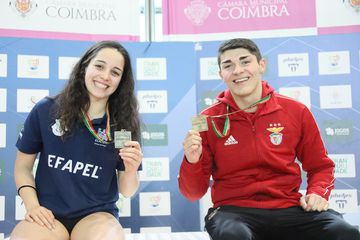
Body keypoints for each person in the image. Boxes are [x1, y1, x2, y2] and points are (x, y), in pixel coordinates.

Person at [179, 38, 360, 240]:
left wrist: (318, 192)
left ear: (261, 65)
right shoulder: (206, 119)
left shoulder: (296, 110)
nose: (238, 70)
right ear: (221, 74)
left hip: (289, 208)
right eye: (228, 65)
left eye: (245, 61)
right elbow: (192, 193)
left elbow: (320, 166)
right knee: (234, 236)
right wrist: (191, 161)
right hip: (233, 212)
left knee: (345, 233)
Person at [10, 41, 143, 240]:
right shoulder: (47, 110)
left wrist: (131, 170)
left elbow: (127, 190)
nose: (105, 76)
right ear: (84, 67)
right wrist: (33, 207)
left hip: (97, 217)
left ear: (121, 81)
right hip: (48, 215)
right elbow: (22, 168)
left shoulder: (122, 124)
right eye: (99, 66)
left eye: (115, 72)